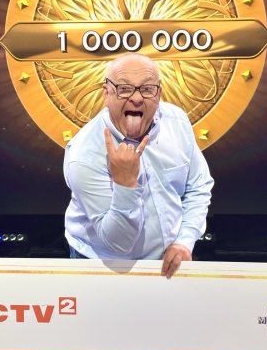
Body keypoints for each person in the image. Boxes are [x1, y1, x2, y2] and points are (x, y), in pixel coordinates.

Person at [63, 53, 214, 278]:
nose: (136, 98)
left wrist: (184, 241)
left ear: (159, 94)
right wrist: (125, 184)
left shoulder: (176, 122)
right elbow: (119, 244)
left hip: (170, 261)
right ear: (106, 94)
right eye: (124, 89)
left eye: (147, 89)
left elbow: (198, 187)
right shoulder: (84, 156)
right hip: (103, 264)